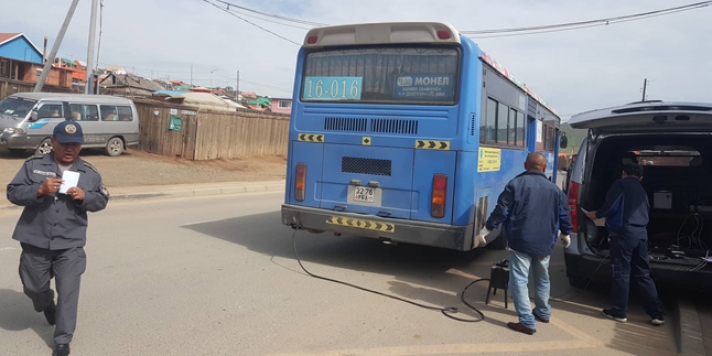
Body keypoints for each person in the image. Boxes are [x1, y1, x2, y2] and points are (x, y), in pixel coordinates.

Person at [7, 120, 110, 356]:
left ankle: (62, 341)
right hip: (35, 240)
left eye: (75, 144)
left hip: (70, 245)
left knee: (69, 293)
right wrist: (39, 191)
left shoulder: (90, 173)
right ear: (53, 143)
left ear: (81, 145)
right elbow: (12, 192)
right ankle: (46, 304)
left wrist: (85, 197)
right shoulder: (33, 166)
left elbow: (102, 199)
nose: (69, 148)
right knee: (33, 288)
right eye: (64, 143)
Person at [477, 152, 573, 335]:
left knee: (519, 281)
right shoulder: (555, 189)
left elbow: (501, 210)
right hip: (545, 242)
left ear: (525, 165)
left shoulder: (515, 184)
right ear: (544, 168)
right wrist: (566, 233)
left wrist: (486, 230)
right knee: (542, 277)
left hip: (521, 240)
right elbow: (564, 214)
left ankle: (527, 321)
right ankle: (543, 312)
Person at [586, 164, 664, 326]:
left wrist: (597, 214)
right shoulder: (642, 191)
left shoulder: (620, 184)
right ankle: (656, 314)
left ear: (623, 173)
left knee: (621, 273)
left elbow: (612, 206)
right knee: (643, 273)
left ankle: (619, 311)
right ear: (641, 177)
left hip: (623, 235)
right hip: (641, 234)